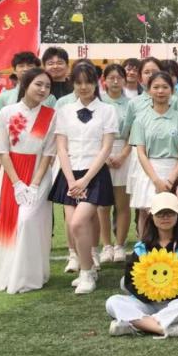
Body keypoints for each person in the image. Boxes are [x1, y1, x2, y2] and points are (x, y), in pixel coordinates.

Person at [0, 68, 57, 294]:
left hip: (39, 174)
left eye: (47, 86)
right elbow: (2, 151)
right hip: (11, 174)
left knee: (28, 220)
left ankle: (30, 275)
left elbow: (48, 154)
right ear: (26, 84)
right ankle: (8, 274)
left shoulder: (51, 115)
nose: (43, 90)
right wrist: (17, 183)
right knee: (9, 222)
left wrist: (34, 184)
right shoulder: (7, 112)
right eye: (38, 84)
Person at [50, 62, 119, 294]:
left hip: (95, 173)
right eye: (78, 82)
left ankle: (87, 273)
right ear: (73, 83)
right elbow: (61, 147)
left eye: (88, 82)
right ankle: (87, 267)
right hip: (70, 173)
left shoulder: (108, 111)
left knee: (79, 222)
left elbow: (106, 148)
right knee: (74, 226)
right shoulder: (64, 111)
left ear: (96, 83)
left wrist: (85, 180)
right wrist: (71, 181)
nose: (83, 87)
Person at [106, 192, 178, 338]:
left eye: (170, 213)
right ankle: (166, 329)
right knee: (112, 302)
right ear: (152, 216)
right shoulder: (142, 247)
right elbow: (130, 281)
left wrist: (168, 293)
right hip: (146, 303)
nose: (165, 217)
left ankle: (134, 325)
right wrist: (149, 295)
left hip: (175, 304)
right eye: (160, 214)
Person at [128, 72, 178, 236]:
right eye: (156, 87)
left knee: (175, 212)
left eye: (165, 87)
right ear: (149, 90)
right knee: (146, 213)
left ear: (172, 90)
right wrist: (156, 180)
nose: (160, 91)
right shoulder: (140, 119)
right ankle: (144, 248)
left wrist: (171, 179)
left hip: (174, 169)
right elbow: (141, 153)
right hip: (149, 171)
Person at [99, 63, 133, 264]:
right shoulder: (98, 102)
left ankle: (119, 245)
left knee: (122, 204)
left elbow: (134, 134)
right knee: (102, 205)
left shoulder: (131, 104)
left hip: (124, 154)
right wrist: (104, 156)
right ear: (104, 80)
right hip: (100, 153)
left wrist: (122, 155)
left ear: (124, 80)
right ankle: (106, 246)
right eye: (111, 77)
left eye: (119, 77)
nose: (115, 81)